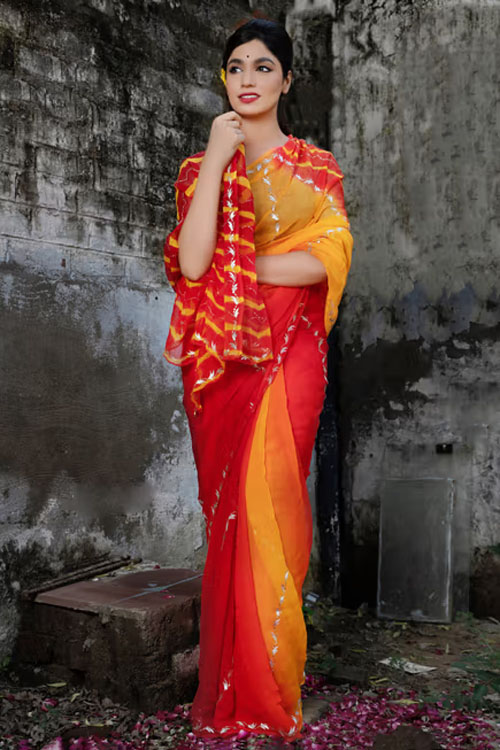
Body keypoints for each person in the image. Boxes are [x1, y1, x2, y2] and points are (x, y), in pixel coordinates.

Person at [163, 17, 353, 742]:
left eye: (263, 66)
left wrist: (238, 275)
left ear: (287, 80)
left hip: (291, 358)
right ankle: (232, 687)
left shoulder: (316, 168)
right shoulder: (199, 168)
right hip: (224, 367)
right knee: (230, 526)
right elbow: (194, 261)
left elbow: (327, 259)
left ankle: (272, 685)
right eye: (236, 66)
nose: (248, 78)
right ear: (224, 79)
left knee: (273, 510)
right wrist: (216, 154)